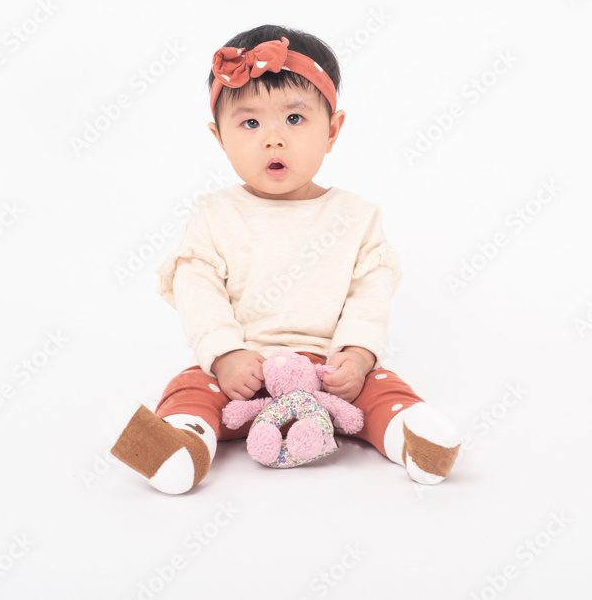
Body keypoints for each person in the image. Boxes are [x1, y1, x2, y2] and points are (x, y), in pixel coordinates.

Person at [110, 24, 461, 494]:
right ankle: (182, 445)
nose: (273, 139)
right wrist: (225, 354)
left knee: (383, 388)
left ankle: (414, 435)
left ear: (331, 130)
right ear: (219, 138)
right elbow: (198, 291)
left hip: (330, 371)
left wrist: (357, 356)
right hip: (241, 371)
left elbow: (368, 297)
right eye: (250, 124)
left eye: (294, 119)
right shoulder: (214, 214)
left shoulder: (356, 216)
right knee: (190, 388)